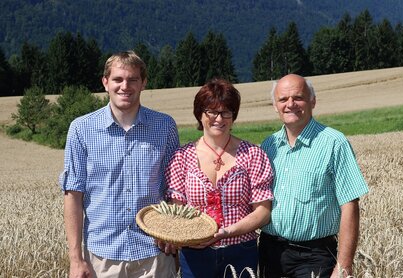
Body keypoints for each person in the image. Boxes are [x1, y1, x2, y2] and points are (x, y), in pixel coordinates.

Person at [59, 50, 179, 278]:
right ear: (105, 83)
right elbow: (73, 195)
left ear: (143, 83)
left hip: (154, 255)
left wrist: (172, 234)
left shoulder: (165, 127)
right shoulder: (81, 129)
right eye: (118, 79)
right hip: (102, 257)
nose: (125, 86)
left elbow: (173, 188)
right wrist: (76, 259)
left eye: (133, 79)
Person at [258, 74, 369, 278]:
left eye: (298, 97)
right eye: (283, 99)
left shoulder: (334, 143)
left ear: (313, 101)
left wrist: (343, 267)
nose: (290, 104)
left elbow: (350, 205)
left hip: (314, 256)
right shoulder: (268, 146)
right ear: (275, 105)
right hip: (270, 252)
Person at [163, 78, 274, 278]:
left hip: (241, 251)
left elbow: (263, 212)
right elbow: (176, 209)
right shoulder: (182, 157)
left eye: (226, 112)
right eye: (211, 111)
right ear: (200, 114)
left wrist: (228, 232)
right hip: (194, 254)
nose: (219, 118)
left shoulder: (253, 155)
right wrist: (189, 235)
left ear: (234, 115)